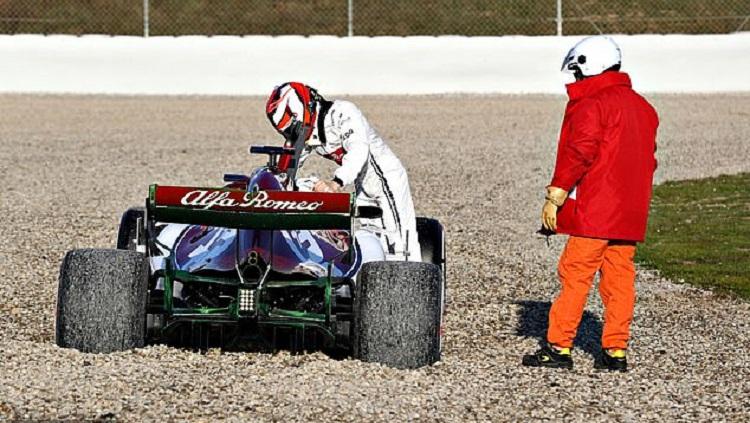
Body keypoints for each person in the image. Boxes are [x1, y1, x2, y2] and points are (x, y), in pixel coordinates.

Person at [522, 36, 659, 371]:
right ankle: (615, 351)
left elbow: (579, 153)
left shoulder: (592, 103)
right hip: (629, 212)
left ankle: (559, 347)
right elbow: (649, 161)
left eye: (577, 70)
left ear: (588, 65)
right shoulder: (643, 107)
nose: (575, 78)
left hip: (598, 210)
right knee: (619, 280)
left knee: (575, 274)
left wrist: (556, 195)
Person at [265, 82, 421, 262]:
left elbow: (359, 150)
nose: (293, 134)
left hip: (387, 177)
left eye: (293, 129)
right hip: (363, 185)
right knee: (374, 244)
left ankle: (415, 285)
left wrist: (336, 182)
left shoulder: (343, 113)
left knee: (400, 243)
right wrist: (272, 183)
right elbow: (288, 167)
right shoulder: (308, 133)